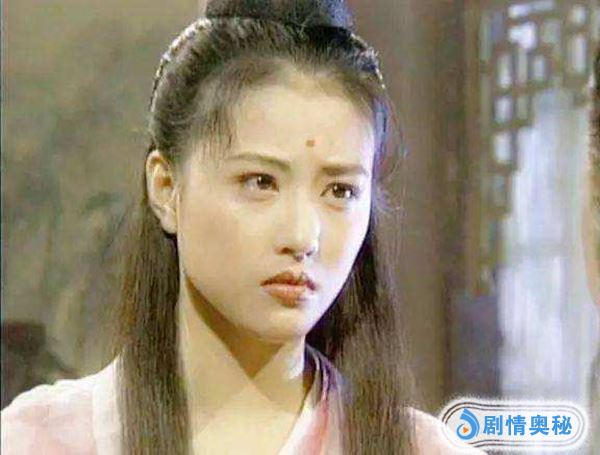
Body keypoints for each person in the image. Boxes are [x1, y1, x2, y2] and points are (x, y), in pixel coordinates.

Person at [1, 0, 483, 453]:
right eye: (260, 182)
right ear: (166, 188)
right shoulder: (36, 440)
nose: (303, 237)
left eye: (340, 191)